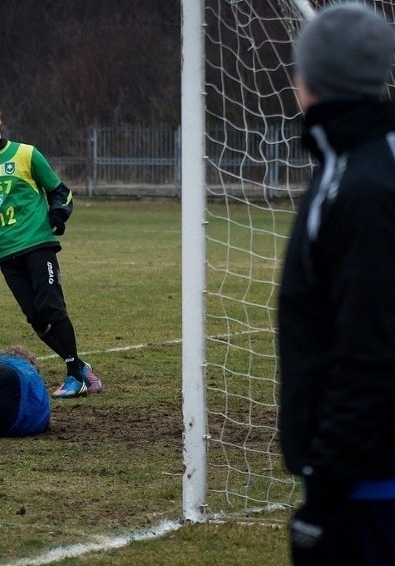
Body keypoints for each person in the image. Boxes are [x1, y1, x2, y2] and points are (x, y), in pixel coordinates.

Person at [278, 4, 395, 564]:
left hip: (368, 486)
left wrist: (325, 495)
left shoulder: (362, 185)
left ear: (312, 76)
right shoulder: (352, 158)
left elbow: (368, 348)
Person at [0, 101, 102, 399]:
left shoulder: (26, 154)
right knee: (37, 320)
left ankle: (76, 373)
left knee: (51, 307)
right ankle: (80, 367)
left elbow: (59, 191)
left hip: (37, 244)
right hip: (4, 254)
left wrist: (58, 215)